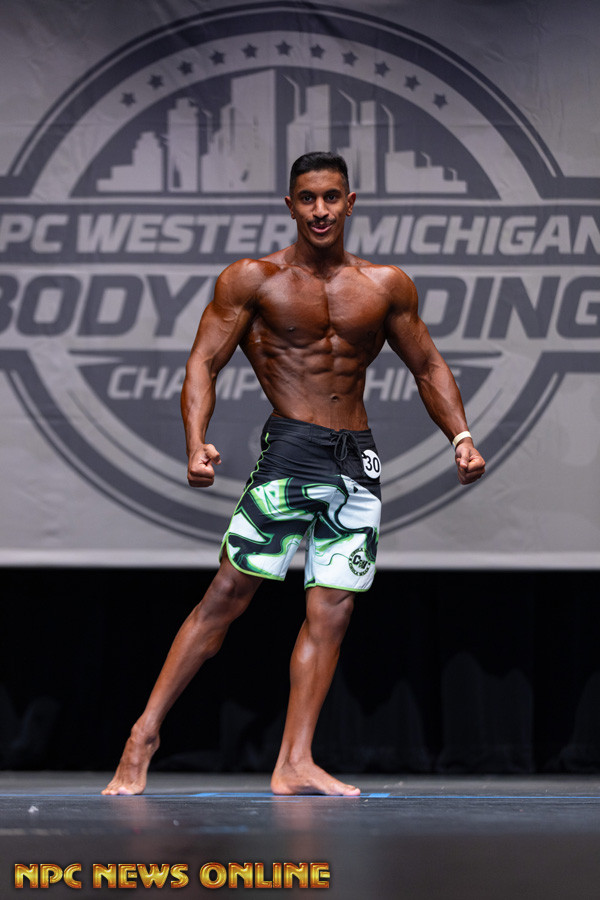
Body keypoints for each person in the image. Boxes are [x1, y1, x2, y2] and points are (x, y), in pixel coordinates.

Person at [102, 151, 485, 797]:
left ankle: (295, 761)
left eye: (331, 197)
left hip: (356, 459)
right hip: (291, 452)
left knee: (331, 611)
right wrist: (195, 443)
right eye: (307, 198)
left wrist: (462, 438)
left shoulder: (385, 285)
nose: (320, 210)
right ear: (290, 205)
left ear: (350, 202)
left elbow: (427, 366)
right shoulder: (254, 280)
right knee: (227, 596)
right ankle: (143, 735)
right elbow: (203, 363)